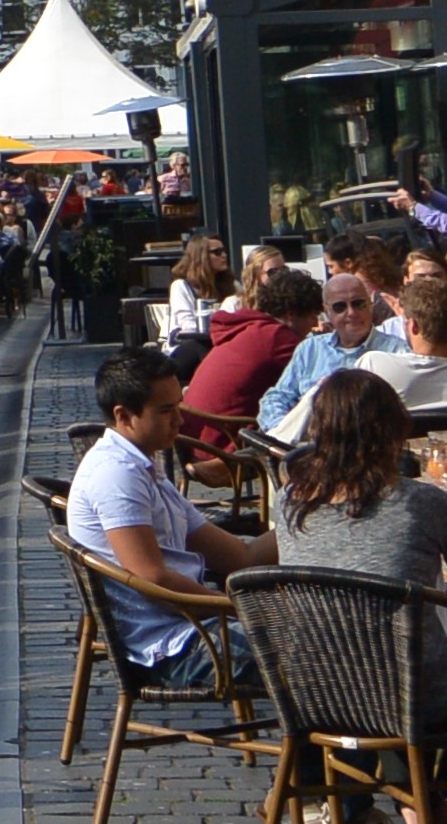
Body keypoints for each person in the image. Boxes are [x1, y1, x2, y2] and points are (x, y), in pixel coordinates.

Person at [270, 367, 447, 801]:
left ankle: (404, 801)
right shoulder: (420, 503)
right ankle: (438, 812)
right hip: (415, 698)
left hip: (316, 695)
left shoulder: (290, 502)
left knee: (394, 662)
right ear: (393, 431)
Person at [66, 349, 273, 691]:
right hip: (173, 648)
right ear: (125, 416)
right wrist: (236, 608)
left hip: (192, 627)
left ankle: (314, 744)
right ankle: (321, 744)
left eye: (179, 405)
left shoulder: (146, 468)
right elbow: (154, 581)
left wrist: (309, 525)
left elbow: (241, 557)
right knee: (319, 647)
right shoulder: (117, 475)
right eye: (166, 411)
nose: (180, 420)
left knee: (325, 632)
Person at [255, 272, 414, 428]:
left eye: (358, 303)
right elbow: (277, 398)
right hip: (309, 447)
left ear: (370, 305)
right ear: (327, 312)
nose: (351, 313)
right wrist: (285, 432)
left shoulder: (396, 351)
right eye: (340, 307)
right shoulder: (310, 349)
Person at [184, 265, 319, 425]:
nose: (316, 323)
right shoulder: (277, 338)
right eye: (312, 315)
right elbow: (318, 381)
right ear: (290, 314)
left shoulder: (249, 328)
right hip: (229, 443)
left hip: (193, 437)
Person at [158, 235, 230, 357]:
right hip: (182, 348)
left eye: (223, 251)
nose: (224, 255)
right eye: (217, 252)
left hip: (218, 343)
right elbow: (189, 327)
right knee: (201, 346)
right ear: (201, 257)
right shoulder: (181, 286)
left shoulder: (231, 285)